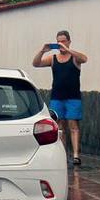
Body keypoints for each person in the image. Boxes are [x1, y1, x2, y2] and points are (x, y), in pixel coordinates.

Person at [32, 30, 89, 165]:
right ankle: (63, 154)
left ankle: (76, 155)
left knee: (73, 125)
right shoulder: (53, 59)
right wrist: (42, 51)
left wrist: (69, 50)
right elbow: (36, 63)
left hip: (73, 97)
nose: (61, 44)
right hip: (57, 97)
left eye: (63, 41)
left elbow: (85, 59)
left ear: (69, 42)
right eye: (59, 41)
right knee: (59, 126)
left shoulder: (75, 58)